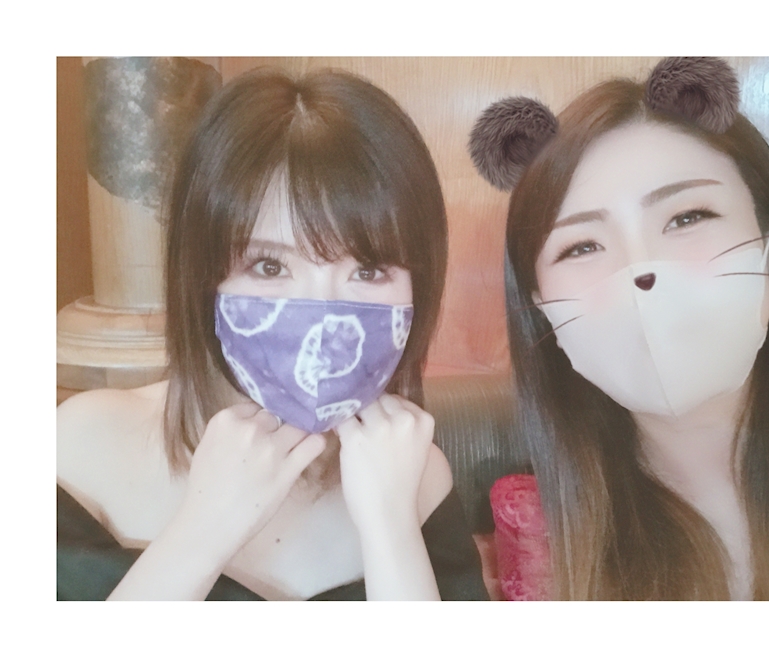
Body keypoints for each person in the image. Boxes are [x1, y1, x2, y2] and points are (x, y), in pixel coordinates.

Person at [57, 67, 488, 601]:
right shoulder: (80, 444)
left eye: (369, 269)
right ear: (203, 275)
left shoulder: (419, 473)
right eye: (268, 266)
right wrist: (201, 534)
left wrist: (391, 528)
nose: (323, 313)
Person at [469, 57, 769, 600]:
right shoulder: (547, 540)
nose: (642, 272)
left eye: (687, 217)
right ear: (544, 309)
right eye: (581, 247)